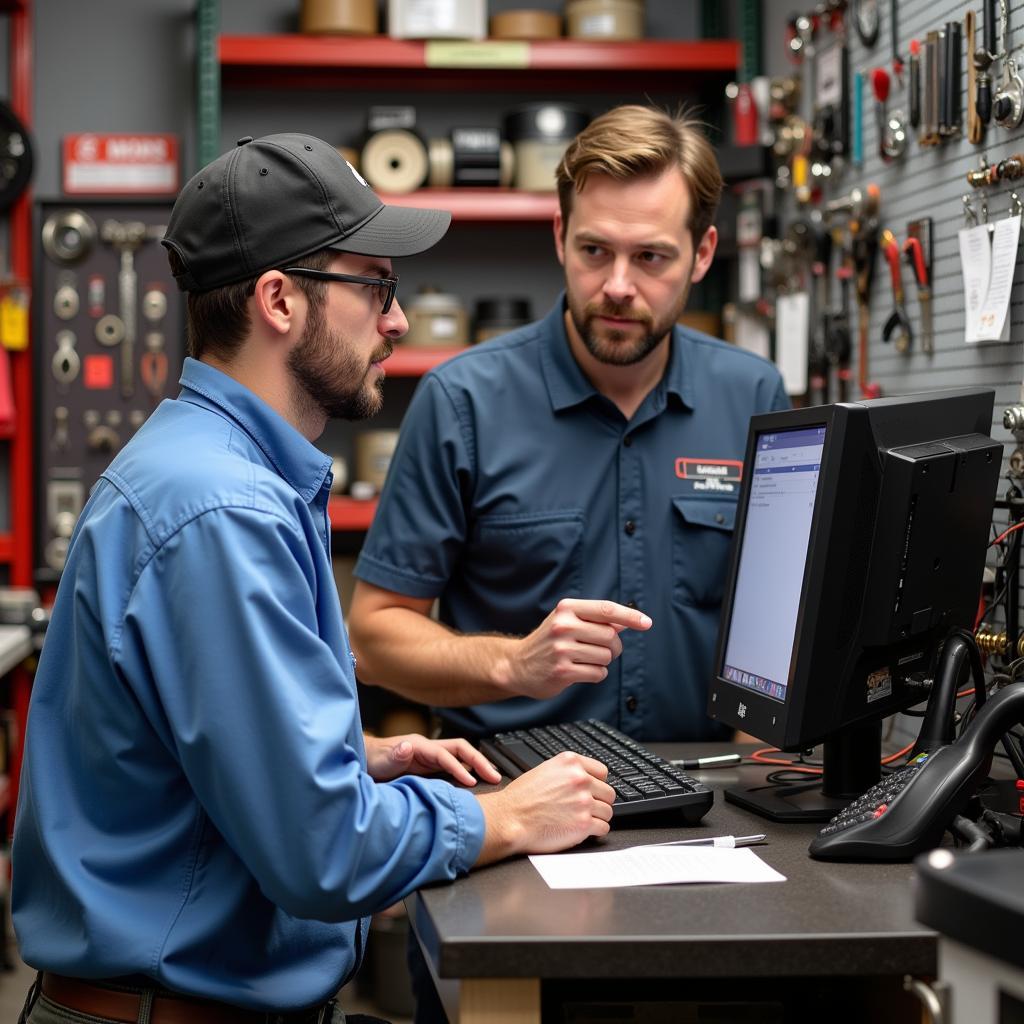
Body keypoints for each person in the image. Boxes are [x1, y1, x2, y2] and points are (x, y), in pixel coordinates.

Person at [11, 133, 617, 1024]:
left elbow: (185, 753)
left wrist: (350, 761)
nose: (398, 320)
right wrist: (509, 818)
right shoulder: (223, 509)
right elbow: (323, 853)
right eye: (375, 286)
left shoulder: (218, 470)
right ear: (280, 300)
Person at [348, 105, 790, 746]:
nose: (616, 285)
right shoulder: (464, 400)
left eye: (651, 258)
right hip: (510, 793)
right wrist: (514, 664)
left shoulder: (755, 396)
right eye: (594, 250)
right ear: (559, 237)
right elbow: (377, 634)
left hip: (707, 796)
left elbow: (778, 630)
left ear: (703, 255)